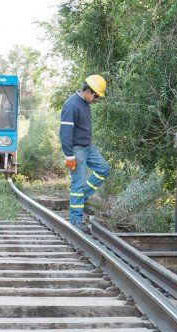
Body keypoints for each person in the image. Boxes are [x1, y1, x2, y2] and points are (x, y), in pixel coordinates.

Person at [59, 75, 110, 228]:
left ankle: (82, 199)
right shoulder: (71, 105)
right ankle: (75, 221)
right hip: (76, 149)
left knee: (103, 169)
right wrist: (69, 156)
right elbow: (65, 133)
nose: (96, 99)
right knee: (78, 185)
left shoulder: (84, 103)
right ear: (88, 91)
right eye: (95, 96)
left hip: (88, 147)